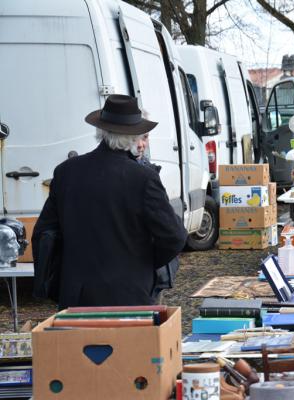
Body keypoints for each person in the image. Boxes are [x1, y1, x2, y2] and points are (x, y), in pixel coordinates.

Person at [32, 94, 187, 309]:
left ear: (102, 131)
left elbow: (44, 235)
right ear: (133, 137)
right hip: (129, 296)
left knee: (81, 344)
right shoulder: (143, 178)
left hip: (75, 296)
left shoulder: (67, 171)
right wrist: (145, 261)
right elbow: (175, 236)